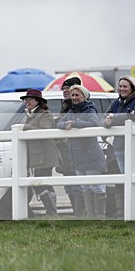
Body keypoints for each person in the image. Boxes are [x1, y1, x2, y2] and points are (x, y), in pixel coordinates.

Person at [56, 84, 107, 218]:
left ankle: (100, 216)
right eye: (72, 95)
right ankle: (90, 216)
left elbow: (94, 123)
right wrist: (67, 124)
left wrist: (74, 123)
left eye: (77, 95)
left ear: (84, 96)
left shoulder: (89, 110)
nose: (74, 98)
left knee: (95, 187)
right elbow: (59, 123)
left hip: (90, 154)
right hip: (77, 156)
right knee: (85, 187)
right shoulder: (72, 111)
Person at [20, 89, 60, 216]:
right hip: (37, 155)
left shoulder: (44, 113)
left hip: (45, 154)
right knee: (43, 183)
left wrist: (27, 128)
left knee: (40, 183)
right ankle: (51, 211)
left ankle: (52, 211)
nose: (27, 102)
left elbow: (45, 129)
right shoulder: (29, 114)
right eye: (26, 100)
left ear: (37, 101)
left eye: (29, 99)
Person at [55, 76, 86, 217]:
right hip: (65, 151)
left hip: (78, 151)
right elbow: (60, 124)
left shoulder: (81, 106)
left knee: (78, 185)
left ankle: (81, 214)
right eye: (64, 89)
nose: (66, 92)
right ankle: (77, 213)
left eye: (69, 89)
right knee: (69, 186)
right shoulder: (65, 106)